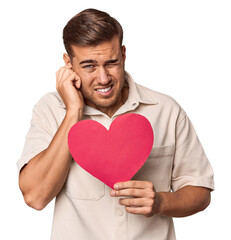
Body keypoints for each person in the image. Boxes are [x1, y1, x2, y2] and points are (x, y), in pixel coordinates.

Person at [17, 8, 214, 240]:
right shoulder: (50, 110)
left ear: (123, 54)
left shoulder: (166, 110)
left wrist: (162, 201)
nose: (103, 78)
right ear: (68, 64)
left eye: (111, 63)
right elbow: (35, 197)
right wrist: (73, 112)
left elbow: (200, 191)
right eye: (89, 65)